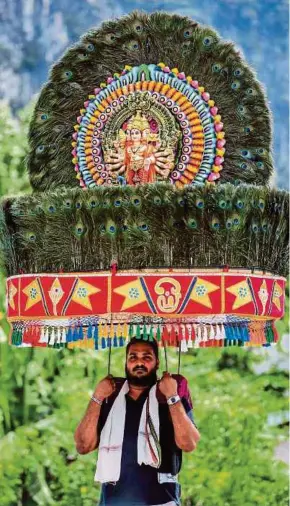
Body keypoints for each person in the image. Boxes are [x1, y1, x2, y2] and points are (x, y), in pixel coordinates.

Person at [74, 337, 200, 506]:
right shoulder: (110, 397)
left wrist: (172, 396)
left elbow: (189, 444)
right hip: (113, 501)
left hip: (162, 501)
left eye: (146, 357)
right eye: (133, 357)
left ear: (157, 362)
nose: (139, 362)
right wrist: (97, 397)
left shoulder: (168, 395)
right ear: (126, 362)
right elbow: (83, 446)